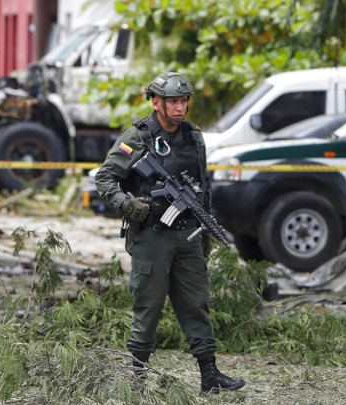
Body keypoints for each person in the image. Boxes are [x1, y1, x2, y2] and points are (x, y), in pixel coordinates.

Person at [94, 72, 245, 394]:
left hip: (188, 235)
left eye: (183, 101)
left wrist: (204, 234)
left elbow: (203, 188)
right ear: (156, 102)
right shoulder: (137, 137)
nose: (179, 108)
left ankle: (210, 376)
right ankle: (136, 382)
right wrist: (128, 204)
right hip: (151, 237)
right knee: (148, 308)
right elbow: (105, 178)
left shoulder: (194, 137)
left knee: (196, 305)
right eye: (173, 101)